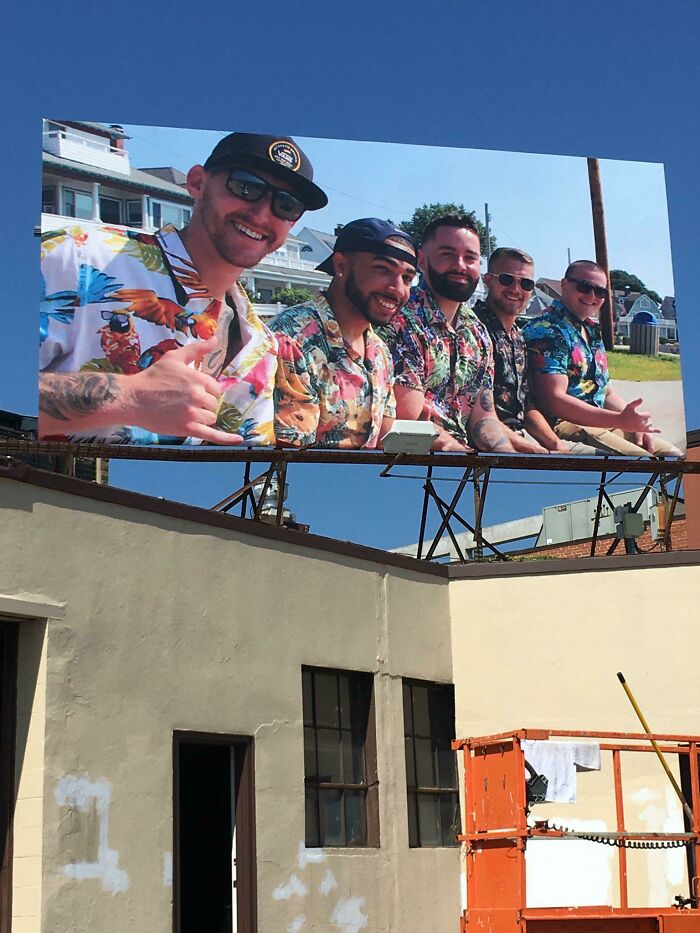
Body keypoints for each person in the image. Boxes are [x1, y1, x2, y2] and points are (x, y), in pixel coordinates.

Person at [39, 132, 327, 444]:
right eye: (246, 187)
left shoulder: (260, 346)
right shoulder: (75, 258)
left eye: (286, 205)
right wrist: (127, 396)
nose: (261, 215)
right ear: (198, 183)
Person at [269, 218, 417, 448]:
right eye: (382, 269)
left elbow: (384, 440)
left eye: (407, 278)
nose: (398, 289)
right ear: (340, 266)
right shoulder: (292, 338)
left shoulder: (379, 352)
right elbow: (291, 457)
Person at [379, 213, 515, 452]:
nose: (460, 266)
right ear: (422, 259)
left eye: (470, 257)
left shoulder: (477, 332)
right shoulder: (400, 322)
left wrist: (510, 457)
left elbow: (484, 417)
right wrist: (466, 456)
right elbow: (410, 420)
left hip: (461, 459)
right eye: (447, 254)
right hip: (414, 459)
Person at [523, 259, 682, 457]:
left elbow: (606, 393)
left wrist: (636, 424)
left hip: (601, 420)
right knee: (645, 463)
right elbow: (554, 401)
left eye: (600, 292)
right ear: (564, 284)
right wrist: (620, 421)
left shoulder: (591, 330)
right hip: (564, 424)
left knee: (673, 455)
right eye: (584, 287)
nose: (592, 296)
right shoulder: (546, 329)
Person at [474, 248, 596, 455]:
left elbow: (526, 404)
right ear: (488, 280)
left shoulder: (517, 336)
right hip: (486, 445)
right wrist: (535, 451)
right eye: (506, 279)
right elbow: (475, 413)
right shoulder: (473, 331)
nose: (516, 289)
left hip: (520, 437)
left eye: (526, 284)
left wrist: (555, 445)